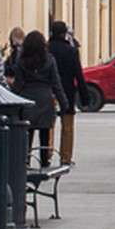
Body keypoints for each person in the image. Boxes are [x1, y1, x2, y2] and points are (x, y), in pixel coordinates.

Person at [13, 30, 69, 167]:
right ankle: (44, 160)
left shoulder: (22, 61)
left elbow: (18, 84)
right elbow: (56, 83)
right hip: (45, 97)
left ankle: (25, 160)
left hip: (27, 97)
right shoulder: (49, 60)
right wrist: (64, 102)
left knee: (28, 132)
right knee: (45, 132)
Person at [48, 21, 90, 166]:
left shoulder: (46, 49)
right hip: (67, 91)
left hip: (50, 91)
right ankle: (65, 157)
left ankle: (47, 151)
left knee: (49, 123)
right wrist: (85, 99)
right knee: (67, 127)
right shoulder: (71, 51)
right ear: (64, 33)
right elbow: (79, 75)